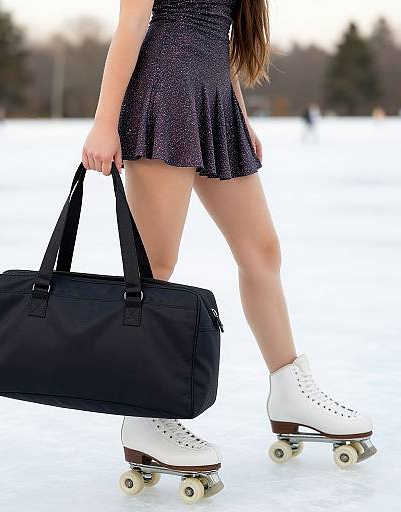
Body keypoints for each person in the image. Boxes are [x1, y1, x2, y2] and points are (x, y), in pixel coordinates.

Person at [82, 0, 375, 492]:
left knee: (262, 250)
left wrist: (238, 115)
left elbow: (220, 35)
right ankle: (143, 415)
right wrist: (105, 120)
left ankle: (289, 391)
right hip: (164, 90)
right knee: (156, 263)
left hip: (215, 96)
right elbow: (132, 23)